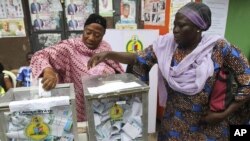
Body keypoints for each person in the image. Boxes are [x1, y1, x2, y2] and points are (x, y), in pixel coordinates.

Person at [88, 2, 250, 140]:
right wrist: (109, 54)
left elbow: (247, 82)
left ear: (199, 28)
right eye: (175, 24)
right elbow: (139, 58)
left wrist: (223, 114)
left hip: (208, 126)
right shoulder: (167, 46)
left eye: (182, 25)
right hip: (174, 125)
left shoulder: (219, 49)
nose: (175, 30)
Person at [30, 14, 124, 122]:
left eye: (97, 35)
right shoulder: (69, 48)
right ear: (83, 30)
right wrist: (48, 70)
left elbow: (117, 69)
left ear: (103, 36)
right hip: (77, 109)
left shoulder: (105, 48)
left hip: (104, 110)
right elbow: (40, 55)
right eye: (88, 32)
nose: (91, 38)